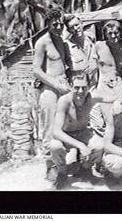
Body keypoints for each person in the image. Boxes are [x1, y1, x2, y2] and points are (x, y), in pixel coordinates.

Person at [50, 74, 115, 189]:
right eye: (77, 87)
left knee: (100, 145)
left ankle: (85, 169)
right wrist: (80, 145)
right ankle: (62, 172)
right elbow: (56, 132)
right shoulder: (64, 101)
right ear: (71, 86)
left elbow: (111, 98)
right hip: (66, 135)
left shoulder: (92, 98)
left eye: (84, 88)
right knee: (55, 146)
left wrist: (119, 102)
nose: (80, 91)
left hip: (83, 133)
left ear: (89, 87)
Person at [33, 8, 71, 155]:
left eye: (61, 24)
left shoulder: (61, 40)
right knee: (48, 125)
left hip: (63, 85)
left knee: (64, 123)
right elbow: (36, 70)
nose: (59, 27)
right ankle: (49, 162)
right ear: (48, 24)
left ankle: (64, 160)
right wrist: (56, 85)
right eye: (55, 25)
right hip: (50, 88)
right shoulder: (42, 42)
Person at [91, 20, 122, 100]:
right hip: (102, 84)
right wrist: (93, 87)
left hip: (118, 84)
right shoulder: (99, 46)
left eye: (116, 33)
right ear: (105, 34)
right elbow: (93, 69)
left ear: (120, 32)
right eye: (110, 33)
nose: (113, 36)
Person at [63, 14, 96, 82]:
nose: (75, 28)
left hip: (93, 85)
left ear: (81, 23)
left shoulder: (91, 38)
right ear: (69, 30)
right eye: (71, 27)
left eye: (77, 25)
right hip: (78, 86)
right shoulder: (66, 46)